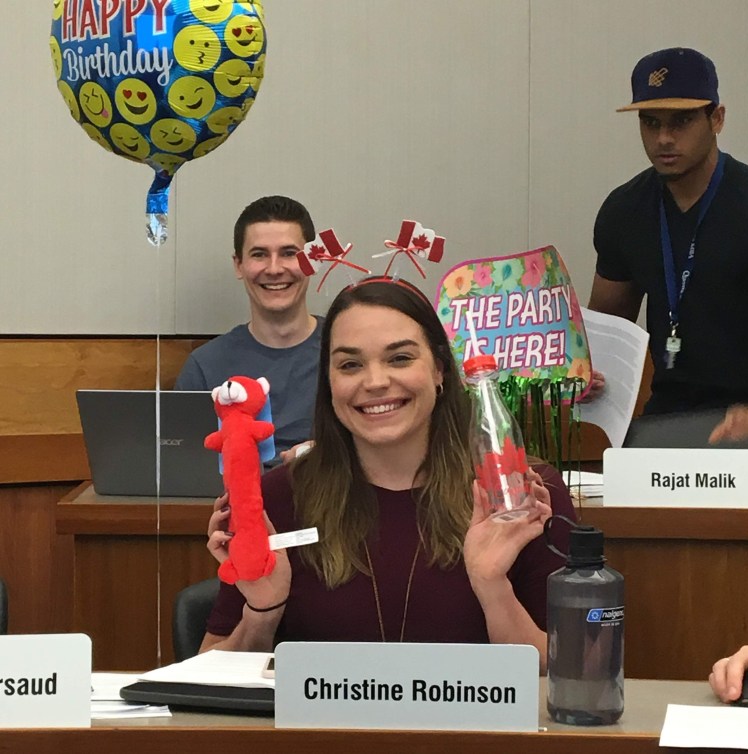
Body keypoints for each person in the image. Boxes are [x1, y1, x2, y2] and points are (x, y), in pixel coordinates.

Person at [199, 276, 576, 670]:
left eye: (400, 358)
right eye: (350, 365)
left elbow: (573, 673)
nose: (375, 382)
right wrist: (263, 610)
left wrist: (493, 587)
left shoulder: (522, 492)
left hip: (473, 733)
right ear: (329, 383)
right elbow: (207, 675)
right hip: (322, 732)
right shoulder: (276, 496)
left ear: (440, 370)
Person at [587, 47, 748, 415]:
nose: (663, 138)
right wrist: (587, 373)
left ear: (717, 119)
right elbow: (605, 335)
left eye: (680, 122)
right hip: (669, 414)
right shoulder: (624, 210)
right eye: (651, 122)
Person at [174, 195, 323, 464]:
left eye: (289, 253)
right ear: (239, 265)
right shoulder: (204, 366)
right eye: (259, 254)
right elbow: (183, 465)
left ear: (312, 262)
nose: (275, 269)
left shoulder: (347, 351)